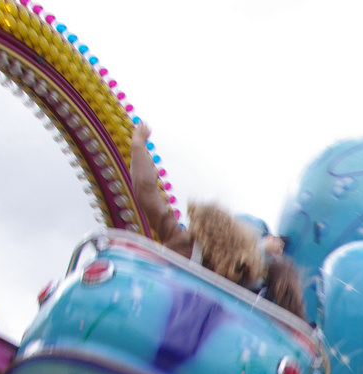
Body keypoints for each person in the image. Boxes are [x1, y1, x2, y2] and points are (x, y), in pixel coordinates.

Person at [129, 121, 305, 319]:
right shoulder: (242, 279)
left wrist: (138, 147)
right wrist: (262, 250)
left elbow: (148, 196)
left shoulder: (184, 245)